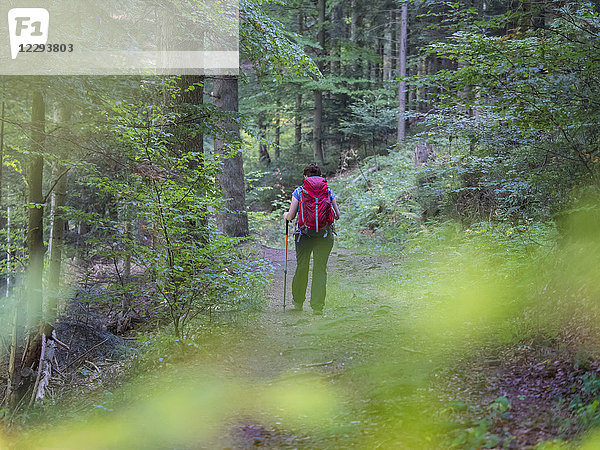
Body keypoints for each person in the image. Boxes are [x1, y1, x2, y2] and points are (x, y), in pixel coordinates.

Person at [283, 163, 340, 315]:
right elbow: (337, 215)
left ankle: (298, 303)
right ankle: (317, 307)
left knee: (302, 267)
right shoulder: (328, 191)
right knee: (320, 269)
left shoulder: (300, 191)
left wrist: (285, 215)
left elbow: (291, 215)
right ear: (320, 176)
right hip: (325, 235)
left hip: (304, 235)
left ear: (305, 176)